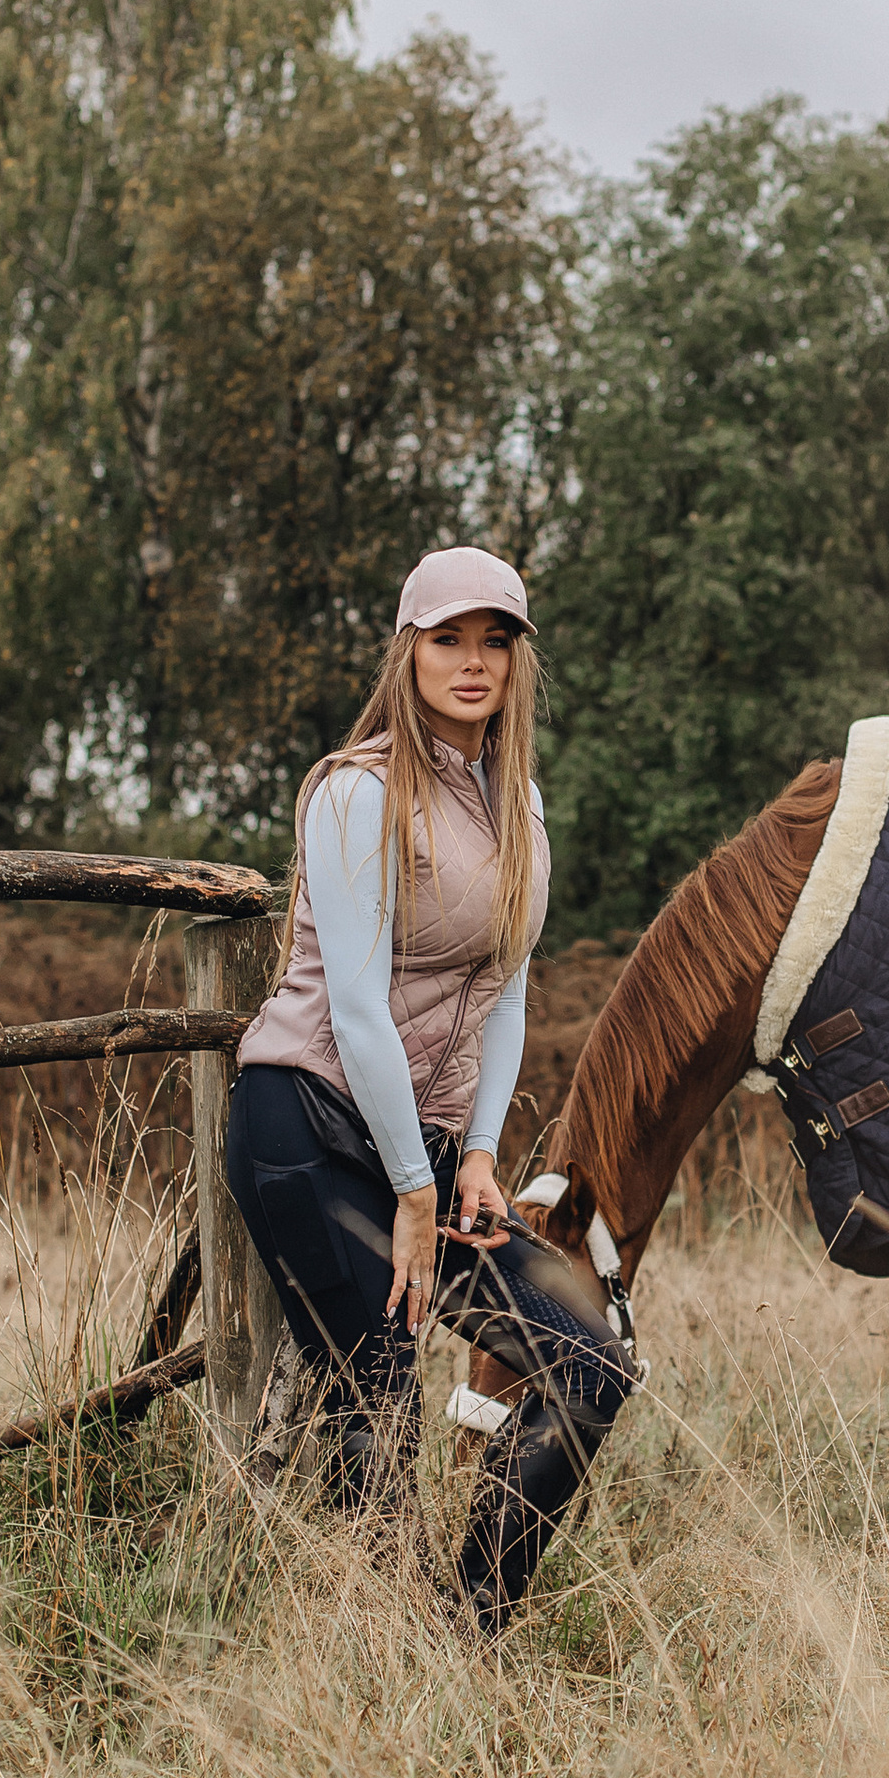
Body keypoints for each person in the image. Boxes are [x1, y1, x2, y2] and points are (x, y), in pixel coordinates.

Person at [223, 545, 635, 1630]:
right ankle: (372, 1655)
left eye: (494, 641)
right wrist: (413, 1187)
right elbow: (355, 1006)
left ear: (517, 661)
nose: (472, 662)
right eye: (447, 639)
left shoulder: (520, 807)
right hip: (307, 1126)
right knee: (380, 1396)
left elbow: (507, 992)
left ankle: (466, 1623)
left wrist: (481, 1155)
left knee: (591, 1367)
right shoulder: (355, 794)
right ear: (408, 652)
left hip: (434, 1151)